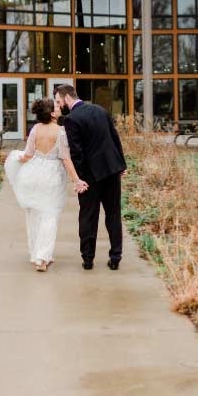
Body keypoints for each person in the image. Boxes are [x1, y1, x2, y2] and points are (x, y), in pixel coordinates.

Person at [4, 97, 88, 272]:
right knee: (49, 216)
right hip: (51, 177)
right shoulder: (60, 131)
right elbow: (65, 159)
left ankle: (36, 254)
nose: (59, 107)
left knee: (33, 216)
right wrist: (76, 179)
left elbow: (27, 155)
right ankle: (42, 258)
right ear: (51, 114)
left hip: (32, 174)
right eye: (56, 106)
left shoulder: (35, 129)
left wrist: (17, 159)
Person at [54, 84, 127, 271]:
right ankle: (115, 257)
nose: (58, 104)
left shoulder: (71, 119)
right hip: (111, 171)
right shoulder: (100, 110)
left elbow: (77, 153)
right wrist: (121, 165)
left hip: (90, 177)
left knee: (88, 216)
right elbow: (114, 137)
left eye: (58, 100)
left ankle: (88, 259)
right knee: (113, 214)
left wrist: (78, 179)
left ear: (66, 98)